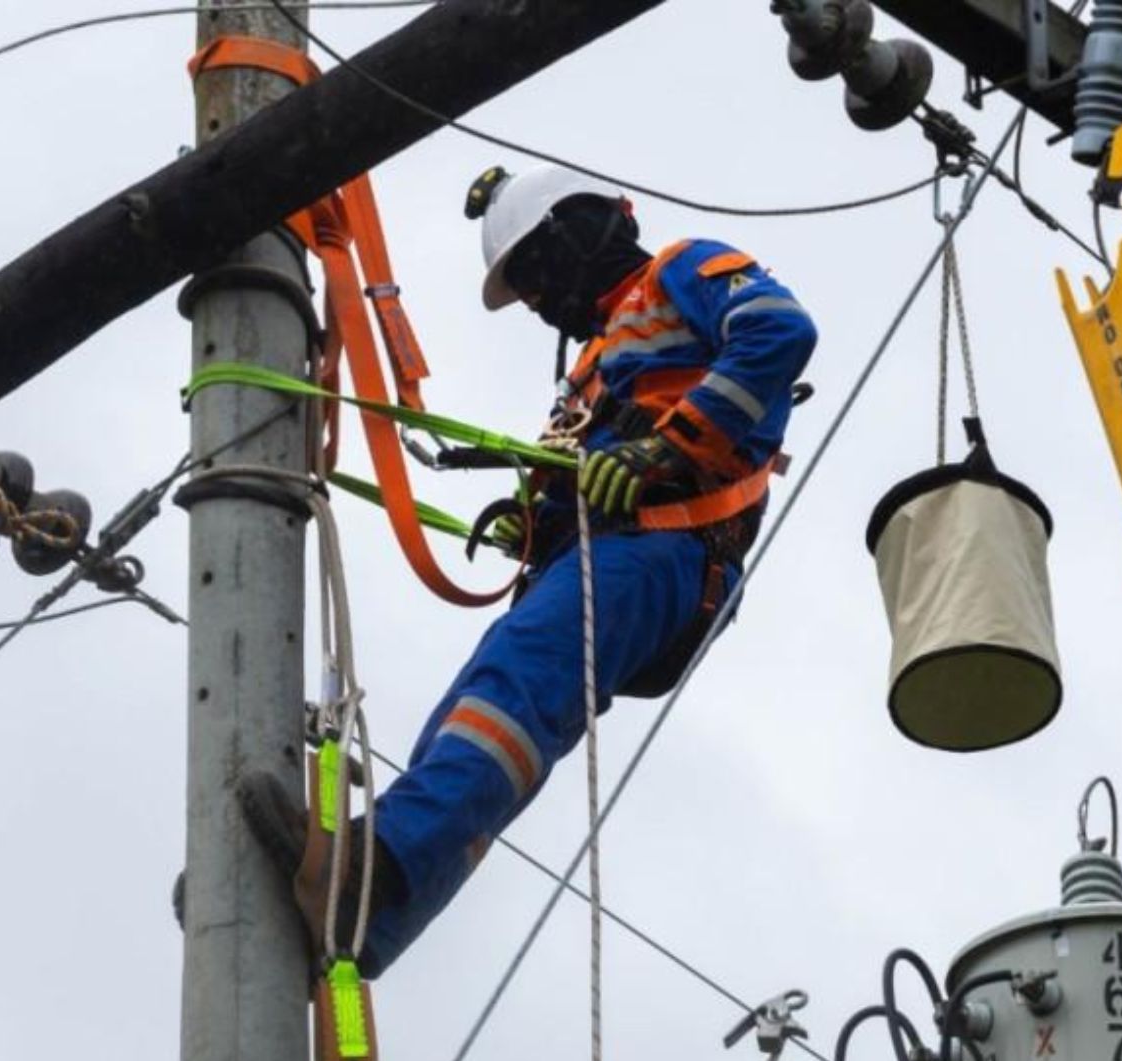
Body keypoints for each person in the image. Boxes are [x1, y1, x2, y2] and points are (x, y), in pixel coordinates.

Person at [238, 165, 820, 977]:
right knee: (479, 711)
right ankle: (377, 912)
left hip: (662, 545)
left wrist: (672, 443)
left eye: (538, 274)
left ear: (584, 230)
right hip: (592, 556)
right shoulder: (585, 373)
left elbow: (778, 329)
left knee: (512, 694)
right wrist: (530, 515)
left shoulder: (680, 270)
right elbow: (581, 467)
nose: (542, 301)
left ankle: (375, 872)